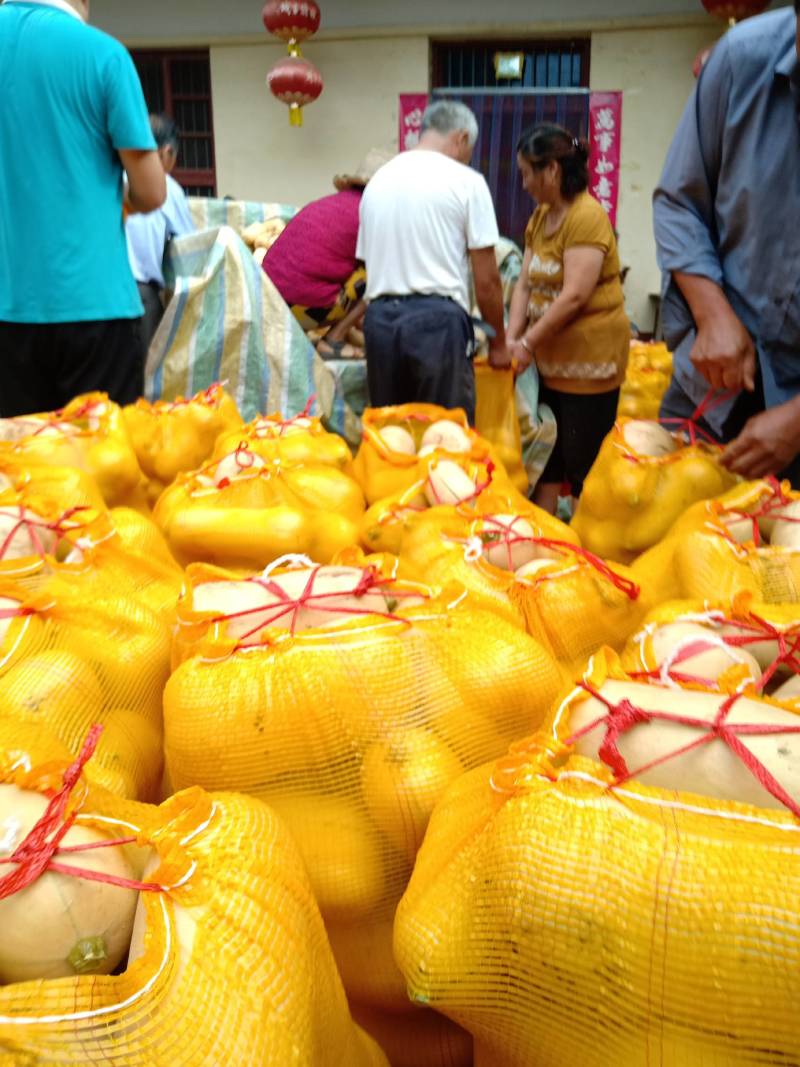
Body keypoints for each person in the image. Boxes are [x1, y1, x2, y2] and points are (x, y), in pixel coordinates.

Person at [653, 3, 800, 485]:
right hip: (716, 381)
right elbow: (679, 201)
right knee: (658, 534)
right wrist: (712, 314)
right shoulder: (741, 58)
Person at [0, 0, 165, 416]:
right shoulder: (102, 54)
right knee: (102, 468)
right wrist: (119, 201)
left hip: (7, 310)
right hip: (94, 306)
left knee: (16, 471)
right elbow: (152, 192)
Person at [356, 100, 510, 423]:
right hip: (436, 326)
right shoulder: (466, 181)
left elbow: (368, 266)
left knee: (392, 434)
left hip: (381, 323)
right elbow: (487, 280)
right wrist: (499, 344)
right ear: (461, 138)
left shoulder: (378, 183)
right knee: (445, 437)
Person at [507, 124, 630, 512]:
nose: (524, 183)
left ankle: (585, 547)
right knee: (548, 460)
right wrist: (512, 341)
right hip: (551, 363)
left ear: (553, 171)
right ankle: (545, 541)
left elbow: (575, 294)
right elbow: (525, 286)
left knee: (583, 466)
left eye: (528, 172)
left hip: (590, 366)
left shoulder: (587, 216)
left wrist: (527, 343)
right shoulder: (540, 219)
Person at [262, 148, 394, 358]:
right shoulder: (373, 213)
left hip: (266, 301)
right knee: (381, 273)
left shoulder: (332, 202)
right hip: (300, 308)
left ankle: (338, 332)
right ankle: (333, 340)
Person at [126, 113, 195, 354]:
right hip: (140, 293)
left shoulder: (108, 179)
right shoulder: (163, 185)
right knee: (145, 378)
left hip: (98, 294)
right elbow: (191, 243)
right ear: (166, 152)